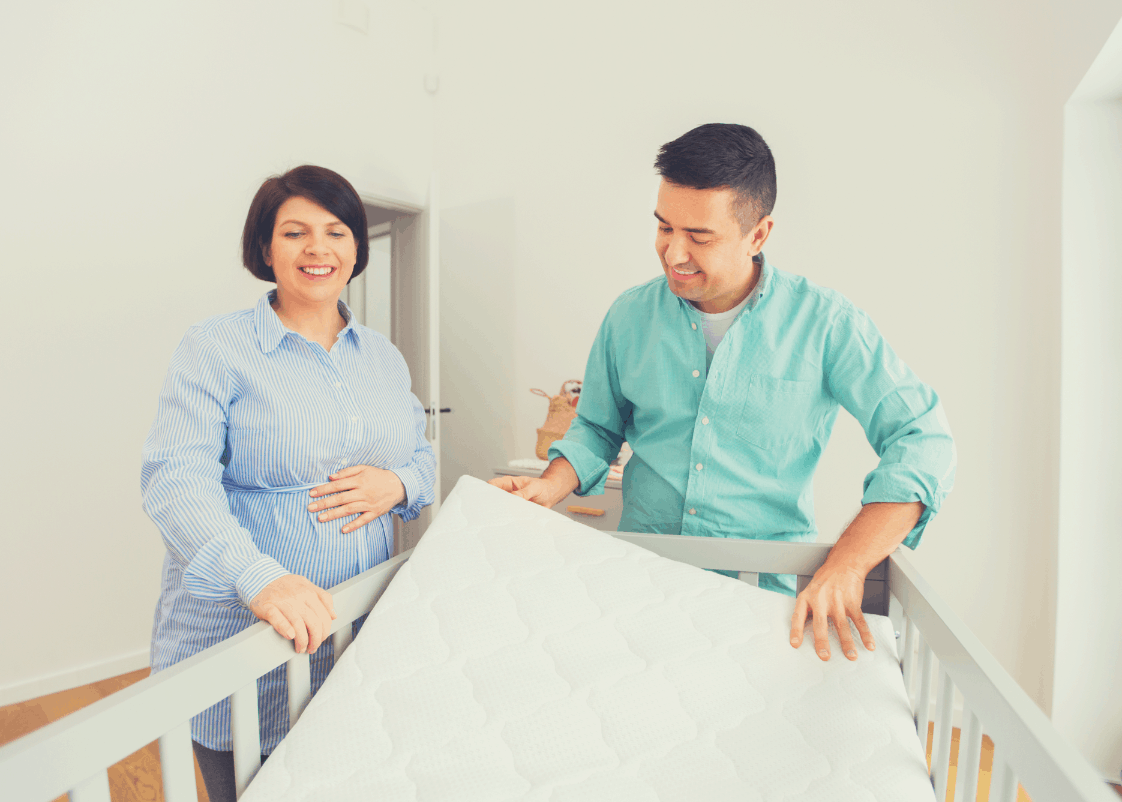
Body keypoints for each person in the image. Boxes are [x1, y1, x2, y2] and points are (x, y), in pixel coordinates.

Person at [491, 123, 955, 665]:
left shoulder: (827, 325)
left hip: (766, 603)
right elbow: (597, 427)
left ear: (758, 234)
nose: (673, 252)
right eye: (663, 227)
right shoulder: (628, 316)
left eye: (699, 236)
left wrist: (848, 564)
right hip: (643, 580)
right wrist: (549, 487)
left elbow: (923, 438)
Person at [141, 165, 435, 802]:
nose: (318, 249)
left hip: (357, 636)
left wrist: (398, 485)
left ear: (356, 246)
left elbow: (421, 458)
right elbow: (176, 479)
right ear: (265, 248)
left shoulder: (383, 357)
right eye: (295, 232)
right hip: (243, 641)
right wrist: (260, 578)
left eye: (336, 232)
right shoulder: (215, 349)